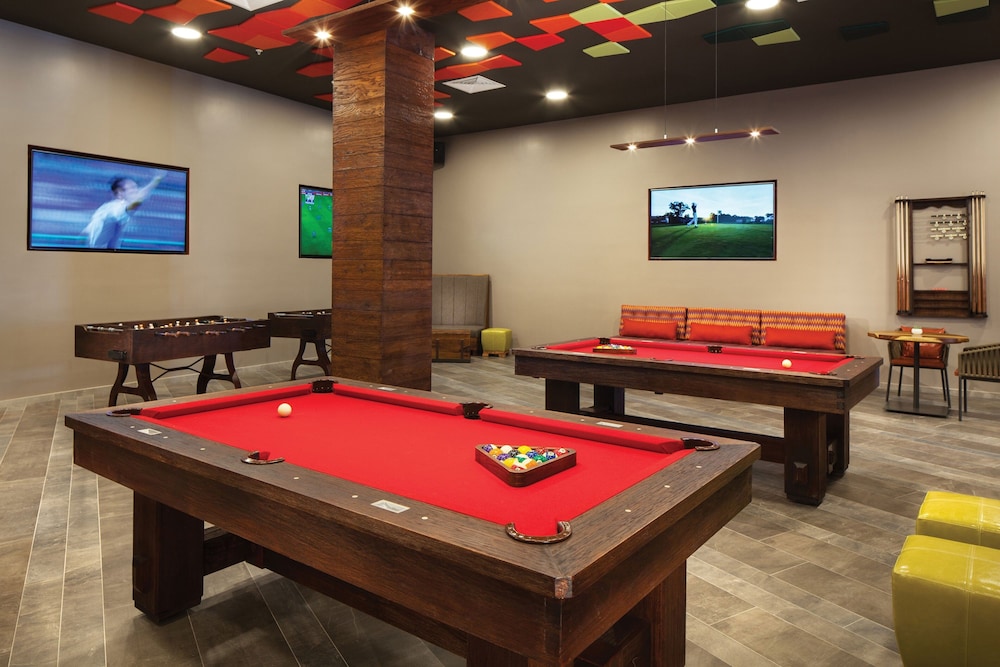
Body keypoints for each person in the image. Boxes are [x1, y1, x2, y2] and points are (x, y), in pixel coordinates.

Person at [82, 172, 165, 249]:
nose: (136, 192)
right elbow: (136, 202)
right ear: (119, 193)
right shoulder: (117, 207)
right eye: (132, 189)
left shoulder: (106, 208)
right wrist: (157, 180)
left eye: (136, 188)